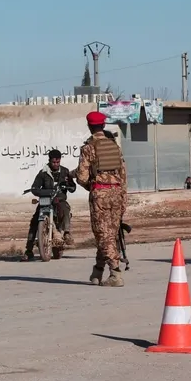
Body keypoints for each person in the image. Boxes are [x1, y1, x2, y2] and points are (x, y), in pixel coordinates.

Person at [76, 111, 128, 286]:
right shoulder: (115, 147)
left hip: (100, 195)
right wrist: (123, 198)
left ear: (89, 126)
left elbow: (82, 177)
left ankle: (115, 273)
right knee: (109, 234)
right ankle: (97, 272)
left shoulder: (88, 148)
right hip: (117, 194)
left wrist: (91, 186)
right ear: (103, 125)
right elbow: (123, 175)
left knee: (103, 234)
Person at [22, 149, 77, 261]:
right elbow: (35, 187)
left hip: (59, 200)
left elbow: (73, 188)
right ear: (49, 161)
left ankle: (66, 232)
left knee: (66, 209)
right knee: (34, 221)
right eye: (53, 162)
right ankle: (29, 250)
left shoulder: (65, 172)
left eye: (58, 162)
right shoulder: (43, 173)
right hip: (46, 201)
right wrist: (41, 192)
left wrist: (69, 184)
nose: (56, 164)